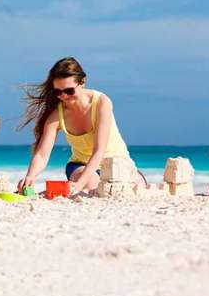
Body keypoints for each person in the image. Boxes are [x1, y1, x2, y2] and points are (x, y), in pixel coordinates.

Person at [17, 57, 145, 195]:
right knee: (91, 186)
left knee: (137, 188)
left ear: (82, 81)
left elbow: (99, 150)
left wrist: (78, 186)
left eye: (69, 91)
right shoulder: (56, 115)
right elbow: (42, 154)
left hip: (117, 163)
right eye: (57, 92)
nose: (63, 96)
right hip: (80, 166)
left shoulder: (101, 102)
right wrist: (30, 176)